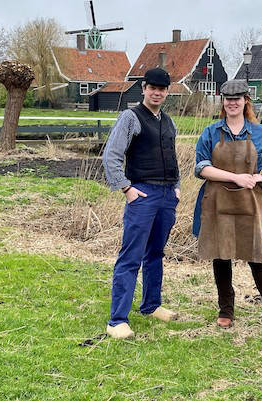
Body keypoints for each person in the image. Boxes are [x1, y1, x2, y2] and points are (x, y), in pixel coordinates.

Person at [192, 79, 262, 340]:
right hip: (218, 203)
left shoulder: (261, 133)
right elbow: (201, 167)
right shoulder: (211, 133)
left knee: (259, 260)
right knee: (221, 256)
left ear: (245, 101)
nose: (233, 102)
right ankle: (226, 310)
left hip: (251, 204)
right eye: (228, 98)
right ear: (223, 102)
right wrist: (236, 177)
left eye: (238, 98)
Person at [102, 68, 180, 339]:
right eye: (152, 88)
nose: (157, 93)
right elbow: (111, 155)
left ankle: (151, 305)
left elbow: (173, 157)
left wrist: (177, 188)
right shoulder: (130, 117)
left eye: (162, 89)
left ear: (167, 92)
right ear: (144, 88)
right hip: (142, 194)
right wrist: (126, 188)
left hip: (167, 196)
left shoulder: (168, 122)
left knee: (156, 254)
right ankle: (117, 321)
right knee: (131, 256)